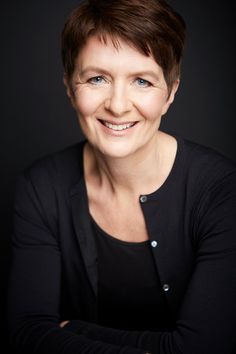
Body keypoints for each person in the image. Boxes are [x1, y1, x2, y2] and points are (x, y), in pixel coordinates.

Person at [7, 0, 236, 353]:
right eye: (97, 78)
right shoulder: (41, 186)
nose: (117, 104)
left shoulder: (222, 191)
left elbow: (203, 348)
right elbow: (26, 331)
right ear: (70, 86)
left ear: (170, 92)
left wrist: (78, 330)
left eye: (142, 81)